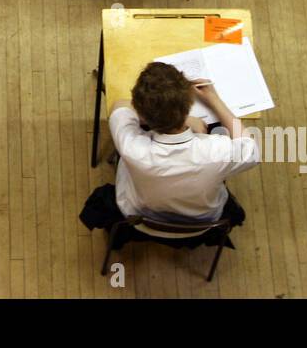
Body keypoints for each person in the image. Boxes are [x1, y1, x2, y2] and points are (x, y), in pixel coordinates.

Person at [81, 62, 258, 233]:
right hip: (203, 221)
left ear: (141, 113)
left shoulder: (132, 147)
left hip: (139, 216)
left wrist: (170, 116)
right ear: (188, 105)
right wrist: (214, 99)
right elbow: (251, 150)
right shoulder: (217, 150)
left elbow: (119, 106)